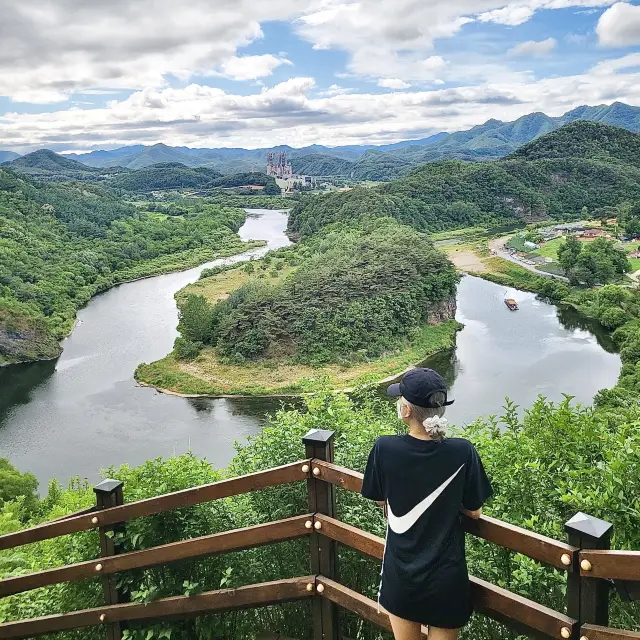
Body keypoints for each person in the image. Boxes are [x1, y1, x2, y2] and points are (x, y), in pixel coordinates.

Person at [361, 368, 493, 640]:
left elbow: (378, 497)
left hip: (401, 575)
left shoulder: (384, 448)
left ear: (407, 411)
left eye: (400, 400)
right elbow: (474, 511)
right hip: (446, 577)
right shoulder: (462, 451)